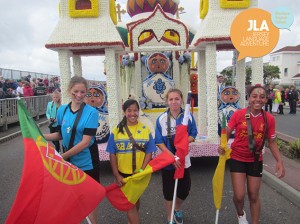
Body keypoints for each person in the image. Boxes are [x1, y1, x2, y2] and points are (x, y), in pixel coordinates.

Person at [218, 84, 285, 224]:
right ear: (249, 98)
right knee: (239, 196)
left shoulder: (269, 119)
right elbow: (227, 131)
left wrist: (279, 161)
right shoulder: (238, 114)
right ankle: (240, 213)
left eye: (262, 97)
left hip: (255, 160)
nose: (258, 99)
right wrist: (222, 145)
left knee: (254, 196)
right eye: (254, 96)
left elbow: (271, 142)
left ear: (266, 99)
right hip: (237, 158)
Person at [44, 76, 99, 224]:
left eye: (82, 92)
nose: (79, 95)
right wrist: (40, 136)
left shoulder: (91, 113)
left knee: (88, 198)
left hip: (87, 162)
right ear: (69, 91)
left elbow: (85, 142)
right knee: (70, 197)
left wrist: (62, 156)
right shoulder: (62, 110)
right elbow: (60, 134)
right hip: (68, 160)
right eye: (76, 91)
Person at [106, 99, 157, 224]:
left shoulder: (145, 130)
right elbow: (112, 154)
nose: (133, 113)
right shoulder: (116, 131)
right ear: (124, 112)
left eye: (135, 110)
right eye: (129, 110)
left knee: (135, 200)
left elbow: (149, 152)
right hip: (123, 175)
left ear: (139, 112)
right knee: (130, 205)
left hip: (138, 174)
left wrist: (141, 170)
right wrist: (116, 175)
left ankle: (132, 219)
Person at [155, 88, 197, 224]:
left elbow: (193, 134)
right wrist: (172, 157)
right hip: (168, 160)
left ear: (182, 100)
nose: (174, 102)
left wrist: (183, 143)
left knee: (185, 189)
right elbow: (159, 142)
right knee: (168, 191)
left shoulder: (188, 116)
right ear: (167, 101)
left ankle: (177, 208)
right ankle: (169, 217)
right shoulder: (161, 119)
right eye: (171, 99)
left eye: (177, 99)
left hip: (184, 159)